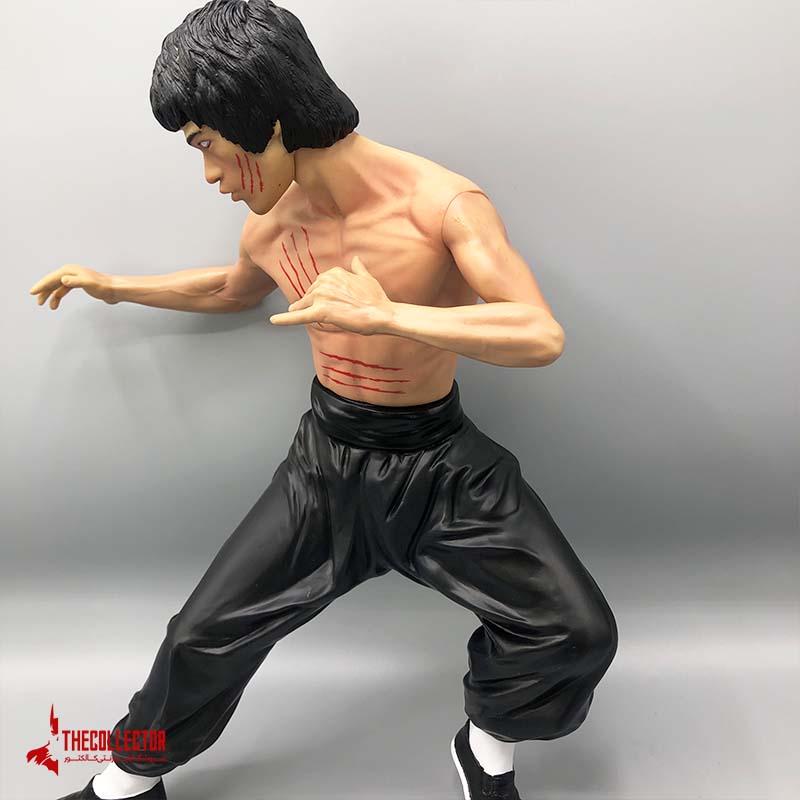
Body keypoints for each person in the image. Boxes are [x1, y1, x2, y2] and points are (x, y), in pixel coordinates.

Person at [29, 1, 618, 798]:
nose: (209, 175)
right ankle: (126, 781)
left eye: (206, 143)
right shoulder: (272, 224)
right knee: (198, 636)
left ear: (267, 121)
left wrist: (388, 316)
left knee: (574, 630)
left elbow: (538, 333)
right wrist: (116, 286)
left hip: (440, 467)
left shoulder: (441, 204)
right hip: (326, 465)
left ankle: (485, 748)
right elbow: (232, 290)